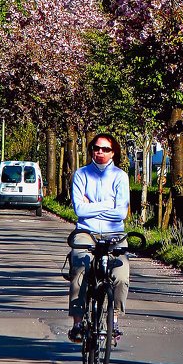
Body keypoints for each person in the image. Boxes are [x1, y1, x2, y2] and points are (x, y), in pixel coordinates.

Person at [68, 133, 130, 343]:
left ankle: (114, 320)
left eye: (105, 149)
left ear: (114, 152)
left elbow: (121, 213)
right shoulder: (81, 175)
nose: (100, 152)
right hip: (86, 232)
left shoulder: (120, 176)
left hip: (114, 234)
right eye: (96, 148)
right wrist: (108, 205)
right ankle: (77, 323)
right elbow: (79, 210)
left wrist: (92, 206)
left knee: (121, 276)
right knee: (80, 270)